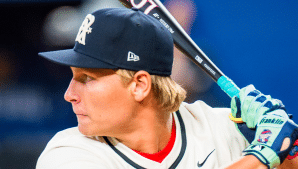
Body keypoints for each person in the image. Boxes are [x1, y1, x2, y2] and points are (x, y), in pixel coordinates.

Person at [36, 7, 298, 169]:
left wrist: (284, 144)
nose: (69, 94)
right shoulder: (68, 154)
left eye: (87, 79)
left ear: (139, 85)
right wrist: (261, 157)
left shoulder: (223, 127)